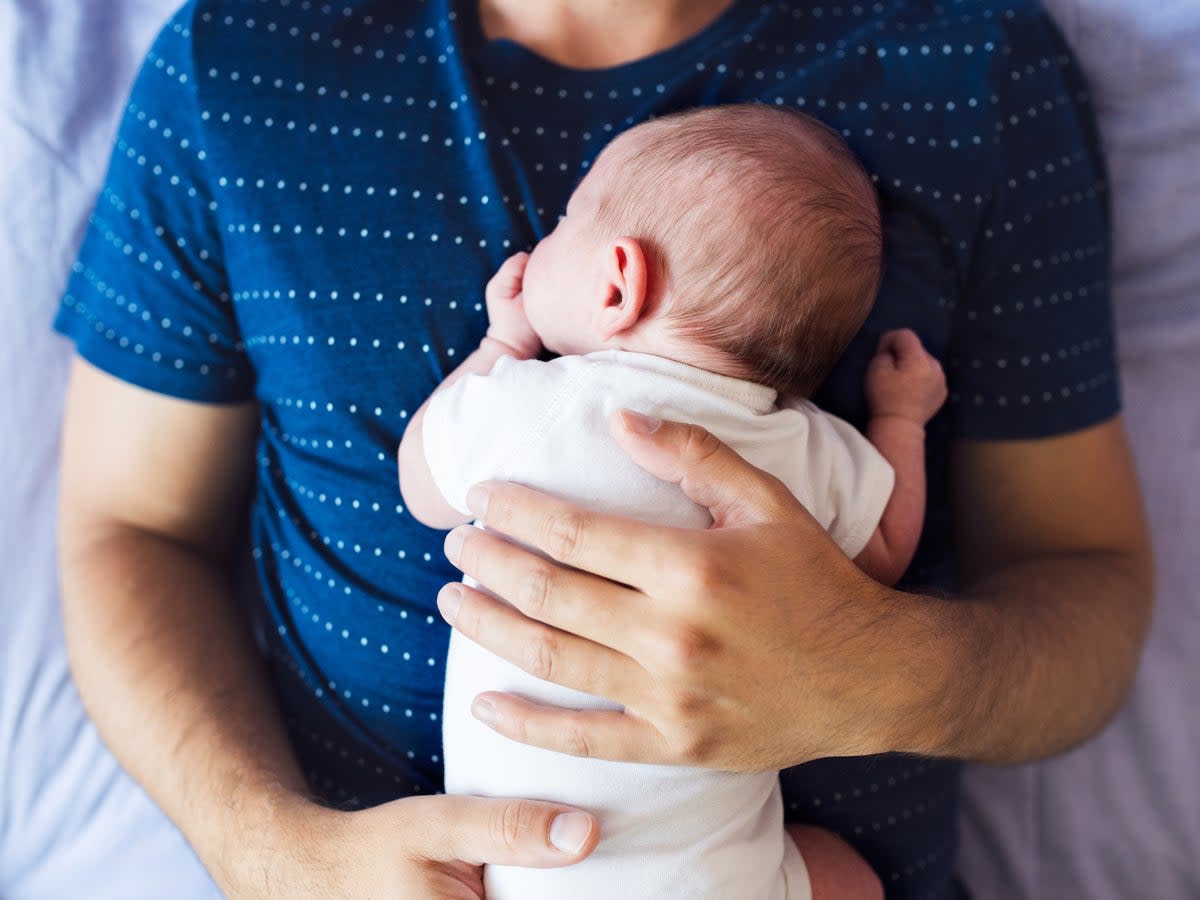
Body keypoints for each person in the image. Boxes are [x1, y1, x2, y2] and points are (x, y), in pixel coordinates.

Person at [53, 1, 1152, 898]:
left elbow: (1085, 584)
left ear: (616, 279)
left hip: (518, 860)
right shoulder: (237, 60)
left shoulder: (969, 54)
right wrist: (273, 858)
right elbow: (129, 529)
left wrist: (872, 678)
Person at [400, 104, 947, 900]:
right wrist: (901, 419)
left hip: (529, 866)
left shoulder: (534, 404)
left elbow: (421, 487)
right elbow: (889, 551)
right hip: (724, 879)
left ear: (619, 282)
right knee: (847, 874)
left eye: (564, 224)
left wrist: (500, 349)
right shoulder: (802, 448)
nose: (542, 242)